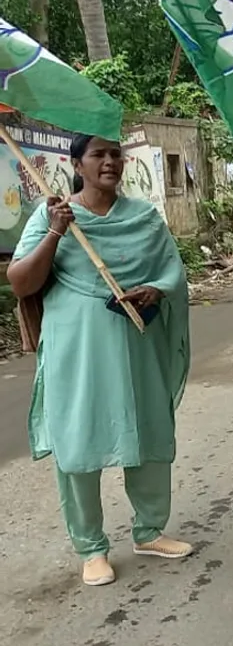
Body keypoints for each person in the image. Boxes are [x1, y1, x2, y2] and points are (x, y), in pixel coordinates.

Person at [7, 134, 192, 587]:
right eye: (98, 155)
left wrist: (157, 290)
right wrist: (54, 230)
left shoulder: (145, 217)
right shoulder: (53, 214)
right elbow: (20, 282)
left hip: (136, 343)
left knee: (147, 428)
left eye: (116, 155)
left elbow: (171, 272)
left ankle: (149, 531)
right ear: (77, 164)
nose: (110, 162)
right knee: (79, 439)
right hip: (78, 351)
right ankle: (91, 547)